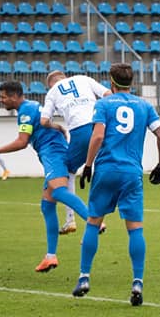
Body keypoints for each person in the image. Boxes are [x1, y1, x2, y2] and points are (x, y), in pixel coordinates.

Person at [72, 63, 160, 306]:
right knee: (135, 228)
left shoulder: (104, 104)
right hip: (131, 173)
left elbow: (98, 135)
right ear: (131, 82)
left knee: (93, 221)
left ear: (111, 82)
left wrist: (88, 164)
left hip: (106, 170)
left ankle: (84, 277)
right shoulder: (145, 105)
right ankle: (137, 282)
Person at [0, 80, 91, 273]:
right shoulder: (33, 106)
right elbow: (45, 122)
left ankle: (93, 220)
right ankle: (50, 256)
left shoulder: (25, 110)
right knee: (47, 204)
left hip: (52, 152)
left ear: (15, 96)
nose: (1, 100)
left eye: (3, 97)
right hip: (52, 150)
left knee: (58, 191)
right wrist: (59, 127)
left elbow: (22, 142)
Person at [40, 70, 110, 234]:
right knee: (103, 167)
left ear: (50, 83)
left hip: (81, 131)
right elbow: (108, 94)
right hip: (102, 127)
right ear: (64, 77)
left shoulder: (53, 91)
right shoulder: (83, 78)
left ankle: (71, 219)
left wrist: (57, 126)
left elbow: (43, 121)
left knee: (67, 172)